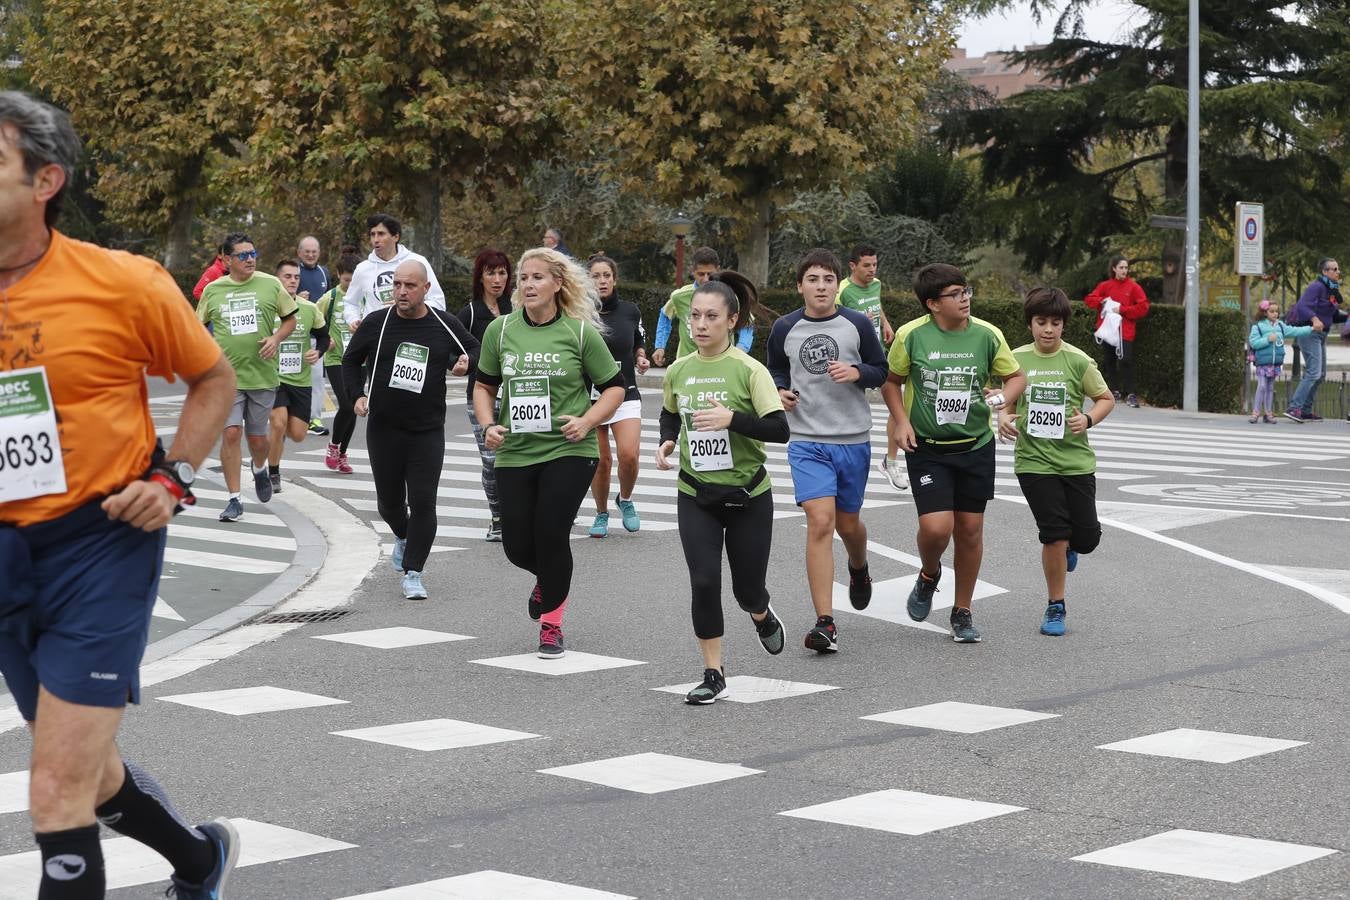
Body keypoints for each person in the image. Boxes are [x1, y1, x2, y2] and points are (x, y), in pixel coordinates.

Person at [0, 89, 241, 899]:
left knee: (53, 790)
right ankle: (198, 859)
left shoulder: (121, 283)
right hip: (3, 558)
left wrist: (173, 477)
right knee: (89, 771)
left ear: (46, 182)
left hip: (97, 543)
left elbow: (213, 377)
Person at [473, 248, 627, 658]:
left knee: (551, 533)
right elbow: (484, 386)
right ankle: (548, 579)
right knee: (516, 544)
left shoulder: (578, 333)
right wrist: (488, 424)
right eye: (524, 278)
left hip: (569, 449)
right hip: (516, 451)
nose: (527, 285)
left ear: (558, 283)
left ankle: (552, 625)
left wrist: (588, 420)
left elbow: (615, 387)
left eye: (537, 278)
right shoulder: (500, 332)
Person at [657, 272, 790, 703]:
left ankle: (761, 613)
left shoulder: (750, 371)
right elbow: (670, 414)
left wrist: (732, 420)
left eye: (711, 316)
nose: (700, 324)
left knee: (746, 588)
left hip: (748, 493)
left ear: (732, 320)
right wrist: (668, 440)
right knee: (703, 580)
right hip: (696, 493)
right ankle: (713, 672)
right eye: (694, 316)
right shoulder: (679, 370)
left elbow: (779, 429)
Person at [880, 263, 1025, 643]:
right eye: (956, 294)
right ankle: (929, 573)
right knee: (936, 526)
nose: (965, 299)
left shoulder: (987, 335)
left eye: (966, 291)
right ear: (932, 303)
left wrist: (1004, 398)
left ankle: (962, 611)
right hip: (927, 447)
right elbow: (891, 383)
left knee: (970, 530)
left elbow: (1016, 377)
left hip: (975, 445)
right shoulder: (912, 336)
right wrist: (902, 423)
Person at [768, 249, 887, 653]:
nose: (821, 286)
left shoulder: (855, 323)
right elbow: (775, 369)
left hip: (852, 438)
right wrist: (780, 390)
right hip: (806, 440)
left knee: (848, 524)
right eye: (813, 279)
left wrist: (858, 373)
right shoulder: (785, 327)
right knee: (820, 522)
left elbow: (880, 369)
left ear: (839, 285)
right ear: (800, 285)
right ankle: (825, 622)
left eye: (828, 280)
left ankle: (859, 567)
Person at [343, 260, 478, 599]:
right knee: (389, 505)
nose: (401, 292)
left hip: (427, 430)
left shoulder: (442, 324)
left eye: (410, 286)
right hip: (384, 428)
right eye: (397, 285)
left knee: (422, 501)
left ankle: (414, 571)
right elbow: (350, 360)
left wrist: (466, 363)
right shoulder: (378, 322)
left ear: (425, 289)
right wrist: (357, 395)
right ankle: (403, 537)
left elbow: (474, 349)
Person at [997, 287, 1114, 637]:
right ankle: (1055, 605)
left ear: (1064, 326)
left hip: (1076, 461)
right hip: (1033, 461)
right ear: (1030, 324)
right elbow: (1007, 401)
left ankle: (1073, 548)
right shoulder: (1015, 360)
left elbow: (1105, 399)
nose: (1048, 329)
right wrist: (1004, 416)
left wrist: (1088, 419)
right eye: (1041, 322)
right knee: (1054, 536)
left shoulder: (1079, 361)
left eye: (1055, 323)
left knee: (1087, 538)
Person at [197, 232, 299, 522]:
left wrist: (276, 339)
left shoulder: (271, 284)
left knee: (257, 439)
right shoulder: (213, 290)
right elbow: (198, 326)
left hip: (262, 376)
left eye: (253, 253)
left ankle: (259, 467)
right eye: (243, 255)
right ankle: (234, 499)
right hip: (226, 378)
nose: (250, 259)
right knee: (230, 433)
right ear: (227, 260)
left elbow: (290, 318)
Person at [586, 254, 649, 537]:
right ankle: (601, 513)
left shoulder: (630, 311)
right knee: (601, 461)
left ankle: (625, 500)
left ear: (614, 279)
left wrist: (641, 357)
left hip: (625, 391)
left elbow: (637, 341)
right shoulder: (578, 312)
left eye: (606, 275)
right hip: (590, 395)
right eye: (596, 276)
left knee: (629, 456)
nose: (601, 281)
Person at [837, 242, 905, 492]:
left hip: (876, 356)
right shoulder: (842, 289)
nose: (872, 270)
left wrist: (884, 323)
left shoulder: (876, 285)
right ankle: (842, 458)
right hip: (853, 358)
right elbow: (830, 316)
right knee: (850, 408)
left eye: (875, 264)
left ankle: (891, 460)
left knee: (896, 402)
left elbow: (876, 305)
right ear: (853, 266)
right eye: (867, 265)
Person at [457, 248, 514, 541]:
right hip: (480, 396)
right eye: (491, 272)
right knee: (491, 459)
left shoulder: (517, 309)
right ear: (480, 276)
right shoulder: (469, 312)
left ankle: (519, 512)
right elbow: (451, 349)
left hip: (518, 396)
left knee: (517, 456)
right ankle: (498, 517)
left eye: (502, 272)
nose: (497, 279)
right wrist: (458, 363)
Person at [266, 258, 329, 493]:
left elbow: (323, 336)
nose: (293, 281)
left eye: (296, 277)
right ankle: (272, 472)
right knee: (278, 422)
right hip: (273, 377)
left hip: (300, 379)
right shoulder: (267, 306)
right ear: (277, 280)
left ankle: (272, 446)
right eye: (287, 277)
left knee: (298, 434)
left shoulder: (309, 309)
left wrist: (318, 351)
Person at [343, 212, 446, 330]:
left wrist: (408, 307)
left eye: (381, 234)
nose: (376, 239)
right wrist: (354, 320)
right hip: (375, 334)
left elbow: (438, 302)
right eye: (372, 235)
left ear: (396, 237)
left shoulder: (417, 262)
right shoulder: (363, 269)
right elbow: (350, 302)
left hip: (411, 331)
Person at [652, 246, 754, 364]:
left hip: (722, 364)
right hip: (687, 365)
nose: (706, 279)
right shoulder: (679, 297)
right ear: (693, 271)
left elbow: (747, 322)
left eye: (710, 274)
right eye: (701, 274)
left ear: (718, 270)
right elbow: (665, 315)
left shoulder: (730, 296)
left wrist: (741, 348)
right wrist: (660, 346)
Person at [317, 248, 362, 473]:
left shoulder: (363, 297)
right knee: (345, 403)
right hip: (336, 358)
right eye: (346, 280)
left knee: (354, 407)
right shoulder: (330, 297)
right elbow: (313, 320)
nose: (350, 285)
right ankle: (334, 446)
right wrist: (326, 339)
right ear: (338, 275)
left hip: (360, 359)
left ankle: (343, 453)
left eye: (355, 281)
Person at [1084, 254, 1149, 408]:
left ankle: (1131, 393)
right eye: (1121, 267)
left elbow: (1143, 307)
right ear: (1114, 268)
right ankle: (1115, 390)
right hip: (1108, 330)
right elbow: (1089, 299)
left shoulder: (1133, 287)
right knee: (1110, 361)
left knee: (1126, 360)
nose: (1124, 271)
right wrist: (1102, 300)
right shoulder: (1106, 286)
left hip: (1125, 331)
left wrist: (1123, 310)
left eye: (1126, 268)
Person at [1284, 258, 1341, 423]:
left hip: (1321, 335)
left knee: (1321, 374)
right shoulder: (1316, 286)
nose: (1338, 272)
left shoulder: (1331, 290)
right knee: (1314, 372)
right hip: (1309, 333)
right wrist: (1315, 319)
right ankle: (1294, 408)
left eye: (1338, 269)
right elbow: (1303, 306)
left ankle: (1306, 411)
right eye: (1334, 269)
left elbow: (1333, 315)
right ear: (1325, 272)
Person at [1249, 300, 1321, 424]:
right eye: (1271, 311)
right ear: (1265, 312)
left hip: (1275, 363)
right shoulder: (1258, 326)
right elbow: (1253, 343)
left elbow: (1295, 331)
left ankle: (1268, 413)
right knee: (1261, 386)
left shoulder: (1281, 326)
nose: (1275, 314)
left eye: (1277, 311)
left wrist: (1311, 328)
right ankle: (1255, 413)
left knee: (1270, 387)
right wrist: (1267, 339)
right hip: (1262, 362)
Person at [297, 235, 332, 436]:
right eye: (307, 251)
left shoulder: (323, 273)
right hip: (292, 336)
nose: (310, 255)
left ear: (319, 253)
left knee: (317, 378)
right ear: (299, 253)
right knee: (289, 376)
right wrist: (295, 298)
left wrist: (328, 334)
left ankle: (314, 419)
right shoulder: (293, 273)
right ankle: (288, 415)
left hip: (316, 336)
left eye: (314, 251)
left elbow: (328, 303)